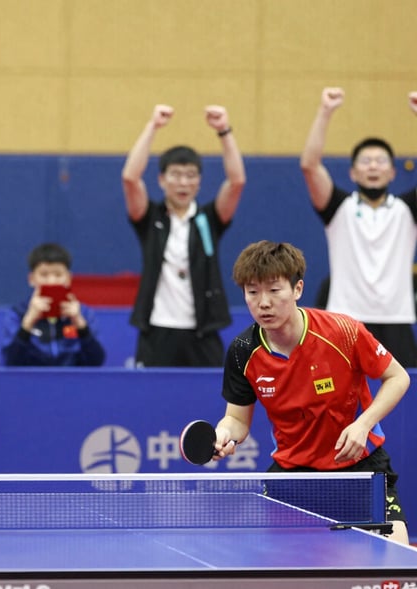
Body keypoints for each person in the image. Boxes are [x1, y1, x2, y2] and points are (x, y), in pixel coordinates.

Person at [213, 240, 410, 544]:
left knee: (395, 563)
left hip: (359, 468)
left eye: (274, 290)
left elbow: (397, 377)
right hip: (294, 477)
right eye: (252, 292)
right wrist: (225, 433)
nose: (263, 302)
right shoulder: (243, 351)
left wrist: (363, 423)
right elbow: (236, 419)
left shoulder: (343, 332)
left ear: (297, 289)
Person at [300, 87, 417, 367]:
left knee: (404, 402)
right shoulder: (340, 208)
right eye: (365, 161)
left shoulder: (407, 210)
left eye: (380, 161)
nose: (373, 166)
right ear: (353, 172)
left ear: (392, 172)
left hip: (396, 320)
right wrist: (325, 111)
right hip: (345, 321)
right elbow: (309, 165)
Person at [121, 104, 246, 367]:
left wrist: (224, 130)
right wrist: (152, 126)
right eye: (175, 175)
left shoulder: (209, 219)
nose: (183, 183)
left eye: (191, 176)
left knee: (209, 401)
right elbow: (130, 178)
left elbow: (236, 182)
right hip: (157, 331)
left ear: (199, 182)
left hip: (202, 331)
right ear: (162, 180)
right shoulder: (150, 217)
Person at [0, 242, 106, 366]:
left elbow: (96, 362)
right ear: (31, 279)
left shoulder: (84, 314)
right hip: (31, 382)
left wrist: (80, 324)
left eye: (58, 275)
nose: (52, 281)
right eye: (44, 275)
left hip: (71, 383)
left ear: (68, 278)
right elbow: (11, 362)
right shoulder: (17, 314)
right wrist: (28, 322)